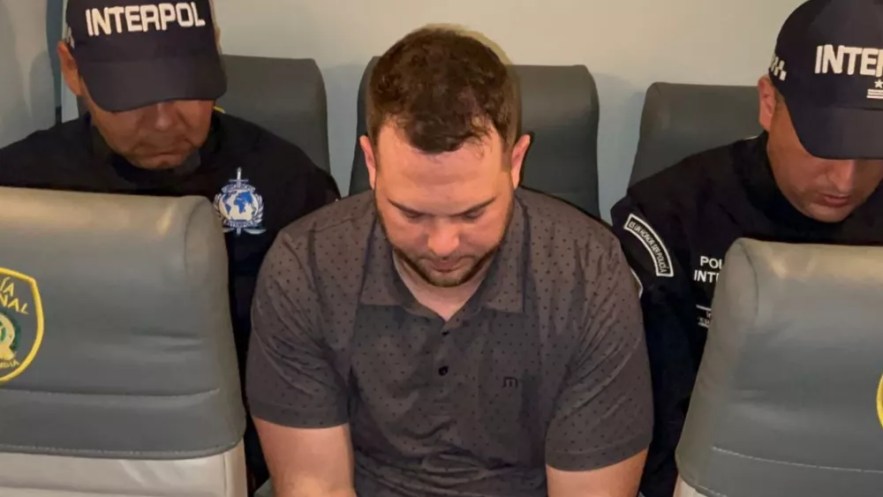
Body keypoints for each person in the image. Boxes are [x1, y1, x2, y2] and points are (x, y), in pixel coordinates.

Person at [246, 26, 653, 497]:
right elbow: (318, 486)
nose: (442, 245)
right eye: (411, 213)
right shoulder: (306, 269)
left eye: (472, 213)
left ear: (516, 161)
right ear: (371, 163)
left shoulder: (589, 275)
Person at [0, 0, 339, 493]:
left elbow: (321, 366)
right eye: (131, 96)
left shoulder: (285, 182)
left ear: (214, 53)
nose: (163, 122)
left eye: (184, 89)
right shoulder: (18, 194)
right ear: (72, 70)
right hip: (54, 466)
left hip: (238, 463)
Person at [610, 1, 883, 496]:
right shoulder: (669, 218)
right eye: (824, 145)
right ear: (768, 104)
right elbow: (646, 428)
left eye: (873, 149)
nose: (845, 180)